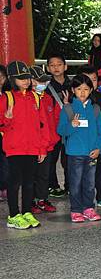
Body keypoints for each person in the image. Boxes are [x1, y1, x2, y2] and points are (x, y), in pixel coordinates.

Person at [0, 62, 49, 229]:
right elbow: (1, 124)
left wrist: (42, 148)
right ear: (13, 79)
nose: (26, 81)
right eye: (21, 78)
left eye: (27, 77)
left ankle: (27, 211)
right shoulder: (7, 97)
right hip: (14, 149)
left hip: (32, 148)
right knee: (14, 183)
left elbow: (42, 125)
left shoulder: (35, 97)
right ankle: (13, 215)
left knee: (29, 182)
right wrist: (7, 117)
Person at [57, 74, 101, 223]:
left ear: (91, 90)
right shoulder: (68, 109)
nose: (82, 92)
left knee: (90, 183)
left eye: (86, 89)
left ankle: (89, 208)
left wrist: (99, 148)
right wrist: (71, 125)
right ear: (73, 90)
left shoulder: (96, 109)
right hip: (74, 154)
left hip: (92, 154)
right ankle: (76, 210)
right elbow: (61, 130)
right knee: (75, 183)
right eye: (79, 89)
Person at [80, 65, 101, 209]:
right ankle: (83, 199)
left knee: (100, 170)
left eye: (94, 79)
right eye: (87, 80)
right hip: (80, 142)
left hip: (98, 140)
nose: (91, 83)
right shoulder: (74, 99)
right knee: (81, 172)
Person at [30, 65, 59, 214]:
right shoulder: (28, 98)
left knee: (44, 174)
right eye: (38, 81)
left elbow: (53, 121)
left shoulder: (48, 98)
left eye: (44, 81)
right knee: (31, 174)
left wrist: (53, 139)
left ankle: (42, 198)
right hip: (32, 145)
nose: (42, 84)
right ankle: (31, 201)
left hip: (48, 143)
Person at [46, 52, 71, 198]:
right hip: (52, 128)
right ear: (48, 68)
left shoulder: (73, 84)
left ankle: (69, 185)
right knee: (51, 159)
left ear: (65, 66)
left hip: (70, 128)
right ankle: (53, 186)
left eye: (59, 64)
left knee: (69, 159)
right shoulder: (46, 87)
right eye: (52, 65)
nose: (56, 68)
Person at [0, 65, 9, 201]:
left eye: (1, 77)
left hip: (5, 134)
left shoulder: (9, 96)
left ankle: (4, 187)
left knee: (5, 163)